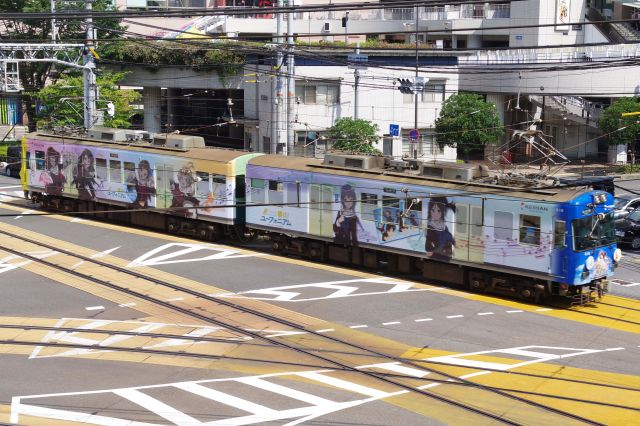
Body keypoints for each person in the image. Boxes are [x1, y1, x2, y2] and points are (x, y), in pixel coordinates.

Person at [425, 196, 455, 261]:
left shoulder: (444, 227)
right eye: (433, 210)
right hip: (438, 255)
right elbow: (428, 249)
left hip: (444, 255)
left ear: (443, 212)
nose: (435, 214)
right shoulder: (430, 227)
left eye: (438, 211)